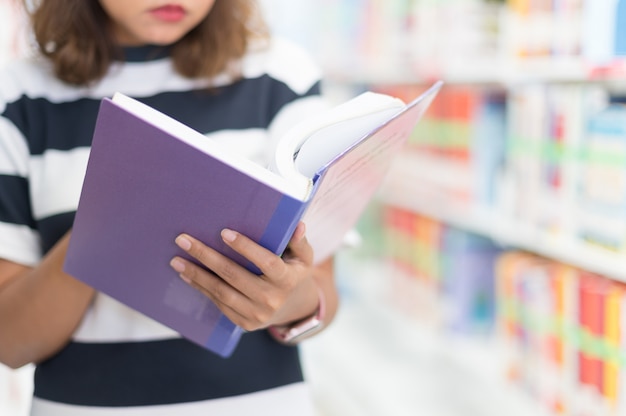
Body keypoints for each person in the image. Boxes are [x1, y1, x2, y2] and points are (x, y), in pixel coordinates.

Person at [0, 0, 339, 415]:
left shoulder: (283, 76)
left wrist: (289, 301)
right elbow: (10, 343)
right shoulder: (17, 98)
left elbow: (324, 290)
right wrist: (106, 219)